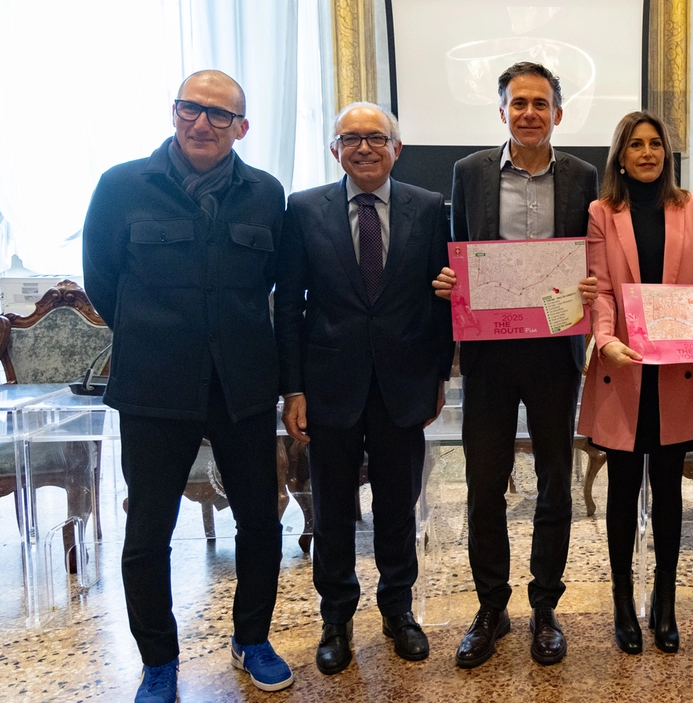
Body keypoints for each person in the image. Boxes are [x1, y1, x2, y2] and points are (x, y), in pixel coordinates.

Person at [82, 70, 292, 702]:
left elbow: (276, 283)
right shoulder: (122, 186)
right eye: (191, 108)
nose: (202, 122)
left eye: (219, 115)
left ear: (241, 128)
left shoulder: (265, 194)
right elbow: (102, 279)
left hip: (244, 385)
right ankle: (158, 661)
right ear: (174, 113)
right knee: (149, 529)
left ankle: (251, 638)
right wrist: (158, 336)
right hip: (155, 386)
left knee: (260, 520)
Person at [275, 102, 454, 675]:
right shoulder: (303, 210)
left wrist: (438, 377)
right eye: (350, 139)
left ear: (396, 149)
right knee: (330, 509)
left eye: (377, 138)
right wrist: (293, 389)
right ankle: (336, 617)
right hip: (330, 385)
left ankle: (399, 611)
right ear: (335, 151)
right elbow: (290, 308)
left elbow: (440, 300)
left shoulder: (428, 209)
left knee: (399, 506)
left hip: (403, 385)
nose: (364, 148)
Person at [432, 61, 599, 668]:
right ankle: (491, 606)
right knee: (484, 484)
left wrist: (587, 284)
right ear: (502, 111)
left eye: (540, 103)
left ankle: (546, 605)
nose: (529, 112)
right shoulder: (470, 172)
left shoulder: (583, 175)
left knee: (555, 480)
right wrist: (454, 280)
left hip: (556, 351)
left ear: (558, 112)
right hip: (490, 355)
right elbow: (459, 245)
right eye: (517, 102)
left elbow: (590, 252)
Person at [577, 111, 693, 655]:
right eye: (635, 144)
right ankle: (622, 601)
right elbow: (601, 290)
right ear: (620, 154)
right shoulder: (602, 211)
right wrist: (606, 338)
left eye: (655, 144)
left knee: (668, 490)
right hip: (624, 367)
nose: (646, 153)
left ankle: (665, 600)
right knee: (621, 490)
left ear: (666, 152)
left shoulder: (690, 208)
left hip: (677, 370)